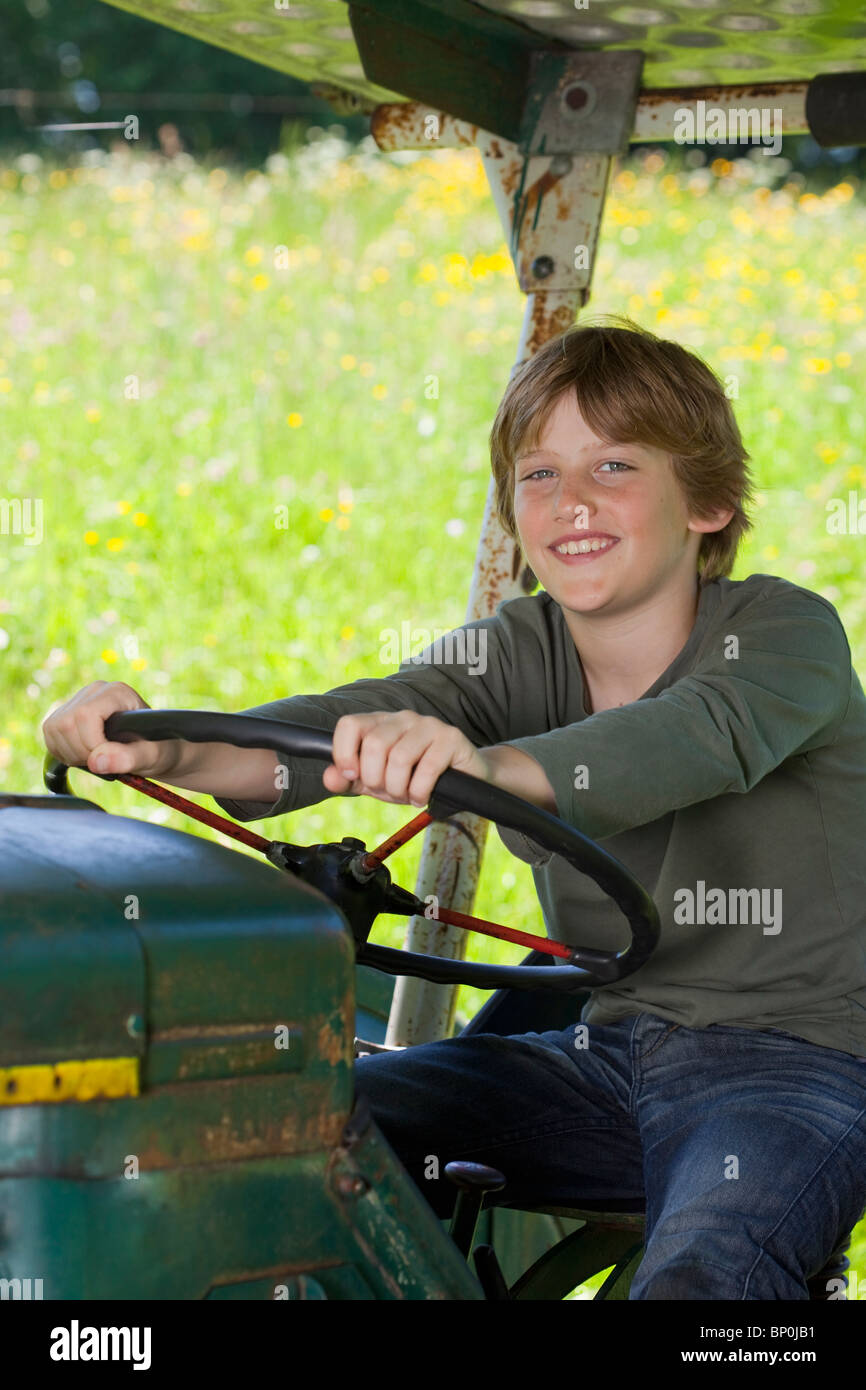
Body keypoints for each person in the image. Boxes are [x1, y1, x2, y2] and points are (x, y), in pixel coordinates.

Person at [42, 318, 866, 1300]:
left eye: (612, 466)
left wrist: (483, 769)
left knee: (708, 1277)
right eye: (538, 475)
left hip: (799, 1068)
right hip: (603, 1063)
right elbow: (347, 723)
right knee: (289, 1129)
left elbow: (691, 737)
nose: (570, 502)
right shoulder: (519, 647)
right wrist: (168, 744)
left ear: (710, 502)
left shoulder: (780, 635)